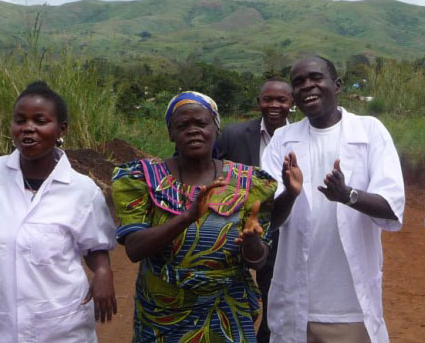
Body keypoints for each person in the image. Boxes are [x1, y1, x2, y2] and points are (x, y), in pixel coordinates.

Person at [111, 91, 302, 343]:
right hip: (164, 315)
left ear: (216, 128)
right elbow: (134, 249)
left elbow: (257, 260)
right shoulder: (143, 178)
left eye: (201, 123)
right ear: (170, 133)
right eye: (182, 125)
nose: (193, 130)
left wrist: (286, 198)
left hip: (227, 313)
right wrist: (187, 217)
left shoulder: (248, 181)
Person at [261, 55, 405, 343]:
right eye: (299, 82)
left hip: (349, 310)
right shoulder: (283, 140)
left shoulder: (369, 131)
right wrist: (290, 194)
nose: (307, 86)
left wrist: (348, 196)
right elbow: (269, 221)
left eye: (316, 78)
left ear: (336, 85)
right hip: (295, 306)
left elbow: (392, 207)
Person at [0, 81, 117, 342]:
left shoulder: (82, 191)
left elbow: (95, 245)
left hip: (60, 327)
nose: (28, 128)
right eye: (20, 120)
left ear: (61, 129)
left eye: (40, 120)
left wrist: (102, 272)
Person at [218, 78, 293, 343]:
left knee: (272, 289)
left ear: (291, 103)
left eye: (281, 100)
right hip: (233, 226)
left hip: (279, 226)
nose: (274, 105)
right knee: (231, 288)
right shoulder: (233, 135)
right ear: (258, 102)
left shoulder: (300, 138)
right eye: (268, 99)